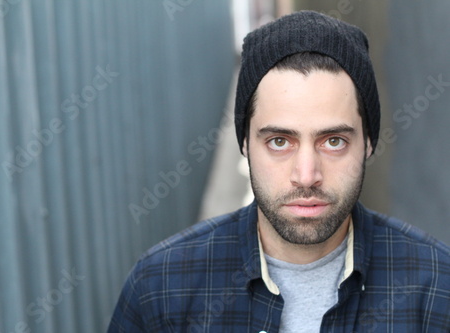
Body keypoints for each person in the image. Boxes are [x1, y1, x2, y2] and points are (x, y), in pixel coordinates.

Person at [108, 11, 450, 332]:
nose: (305, 176)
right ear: (244, 144)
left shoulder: (437, 286)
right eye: (279, 141)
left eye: (333, 141)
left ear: (369, 144)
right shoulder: (160, 290)